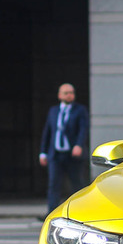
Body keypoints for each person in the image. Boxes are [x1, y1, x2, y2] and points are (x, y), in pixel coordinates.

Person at [39, 83, 89, 218]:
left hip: (73, 154)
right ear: (59, 95)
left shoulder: (80, 110)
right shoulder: (53, 111)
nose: (69, 95)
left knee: (77, 184)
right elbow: (48, 132)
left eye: (71, 92)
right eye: (66, 92)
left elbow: (83, 129)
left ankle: (80, 212)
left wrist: (79, 145)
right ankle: (51, 213)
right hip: (55, 154)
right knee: (54, 184)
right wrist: (43, 152)